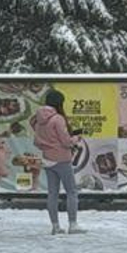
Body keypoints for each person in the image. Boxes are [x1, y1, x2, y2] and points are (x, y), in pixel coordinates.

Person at [31, 86, 82, 236]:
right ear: (59, 103)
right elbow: (66, 141)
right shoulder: (58, 119)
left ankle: (55, 226)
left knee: (52, 193)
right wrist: (76, 138)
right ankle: (73, 225)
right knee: (71, 191)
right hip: (62, 159)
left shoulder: (39, 119)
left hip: (47, 159)